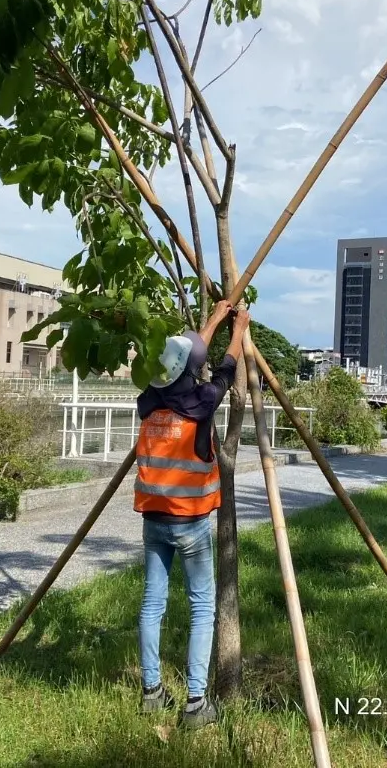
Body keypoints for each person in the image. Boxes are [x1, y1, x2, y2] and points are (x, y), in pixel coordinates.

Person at [133, 298, 251, 729]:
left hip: (153, 521)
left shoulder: (149, 402)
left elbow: (185, 359)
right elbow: (225, 368)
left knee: (152, 604)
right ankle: (196, 702)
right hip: (190, 524)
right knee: (202, 607)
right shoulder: (201, 403)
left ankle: (151, 692)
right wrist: (237, 331)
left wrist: (216, 317)